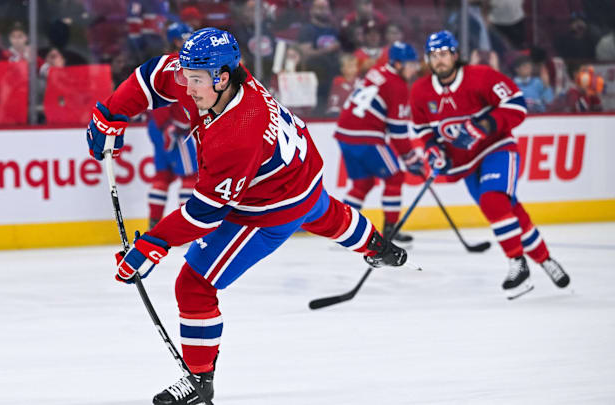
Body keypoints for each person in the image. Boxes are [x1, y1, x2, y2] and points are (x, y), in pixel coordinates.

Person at [85, 27, 407, 405]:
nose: (187, 88)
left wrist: (152, 244)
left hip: (270, 209)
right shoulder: (216, 78)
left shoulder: (237, 133)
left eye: (196, 81)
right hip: (302, 175)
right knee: (326, 213)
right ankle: (377, 246)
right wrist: (110, 113)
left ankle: (200, 380)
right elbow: (154, 76)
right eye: (187, 77)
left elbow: (203, 215)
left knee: (193, 286)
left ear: (222, 78)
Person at [410, 31, 571, 299]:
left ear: (455, 55)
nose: (439, 61)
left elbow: (517, 105)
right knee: (511, 211)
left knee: (493, 201)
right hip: (465, 164)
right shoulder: (420, 91)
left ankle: (517, 264)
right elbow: (424, 131)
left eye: (444, 54)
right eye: (434, 56)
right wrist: (433, 150)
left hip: (496, 148)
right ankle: (545, 260)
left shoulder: (481, 77)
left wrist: (483, 125)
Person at [334, 42, 422, 244]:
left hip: (344, 134)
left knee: (362, 184)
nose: (414, 69)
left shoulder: (378, 70)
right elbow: (398, 132)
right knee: (396, 177)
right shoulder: (398, 86)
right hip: (365, 137)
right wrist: (411, 159)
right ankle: (390, 231)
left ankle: (341, 229)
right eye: (410, 64)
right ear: (398, 64)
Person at [145, 22, 198, 229]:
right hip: (173, 129)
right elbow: (161, 96)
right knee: (190, 175)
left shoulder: (165, 62)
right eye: (186, 38)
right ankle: (186, 226)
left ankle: (154, 223)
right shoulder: (177, 64)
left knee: (163, 176)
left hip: (159, 126)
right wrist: (168, 127)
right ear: (176, 41)